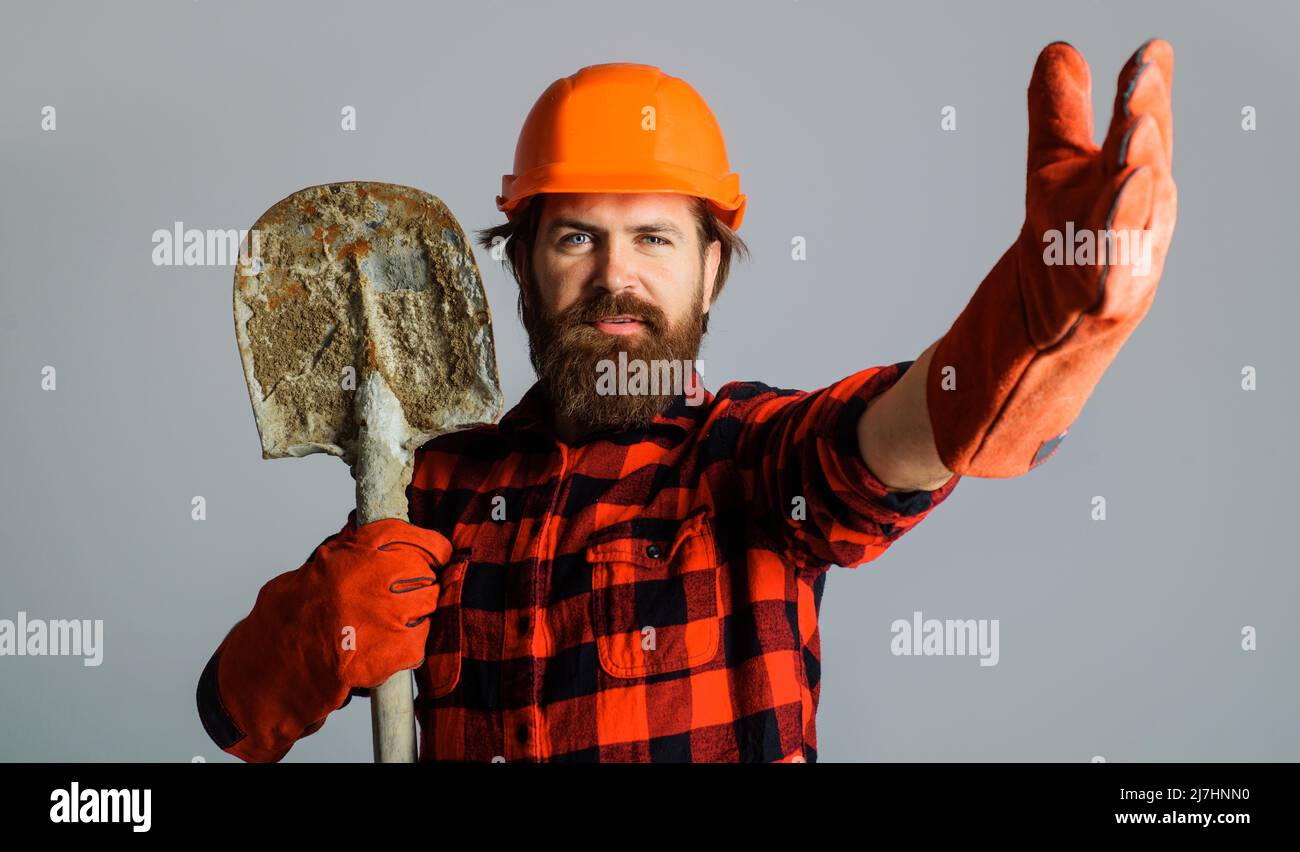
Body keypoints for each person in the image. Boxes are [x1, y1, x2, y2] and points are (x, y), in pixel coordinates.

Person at [198, 41, 1175, 762]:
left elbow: (891, 441)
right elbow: (229, 719)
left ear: (711, 274)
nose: (614, 275)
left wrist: (1021, 331)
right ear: (526, 272)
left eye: (655, 239)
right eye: (576, 237)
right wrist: (299, 638)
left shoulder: (746, 461)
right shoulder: (434, 487)